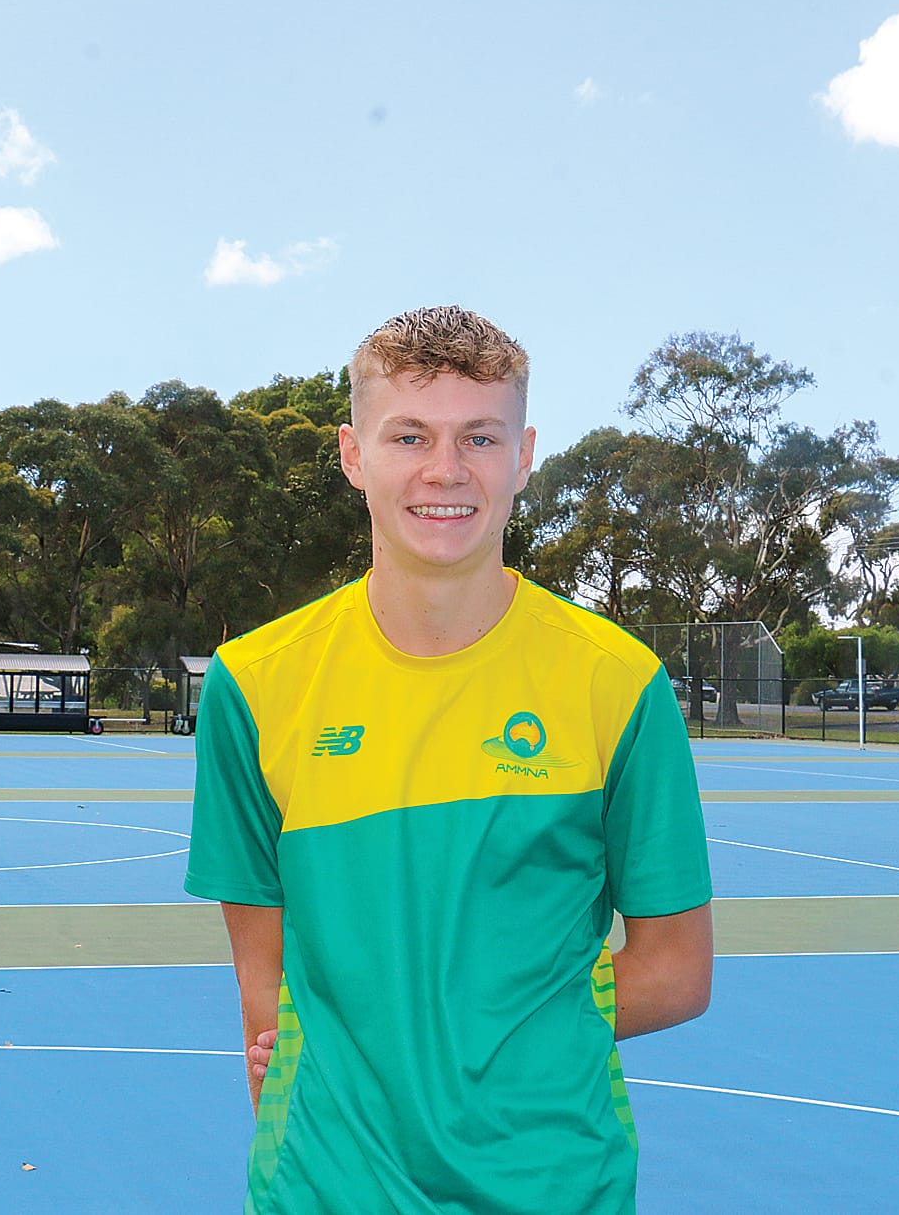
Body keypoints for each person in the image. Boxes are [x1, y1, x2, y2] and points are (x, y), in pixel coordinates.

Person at [184, 306, 713, 1214]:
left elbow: (675, 970)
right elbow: (262, 978)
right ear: (353, 455)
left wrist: (463, 1032)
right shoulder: (254, 683)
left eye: (479, 436)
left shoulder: (617, 682)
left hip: (552, 1182)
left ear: (523, 454)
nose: (444, 470)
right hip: (323, 1183)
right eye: (409, 436)